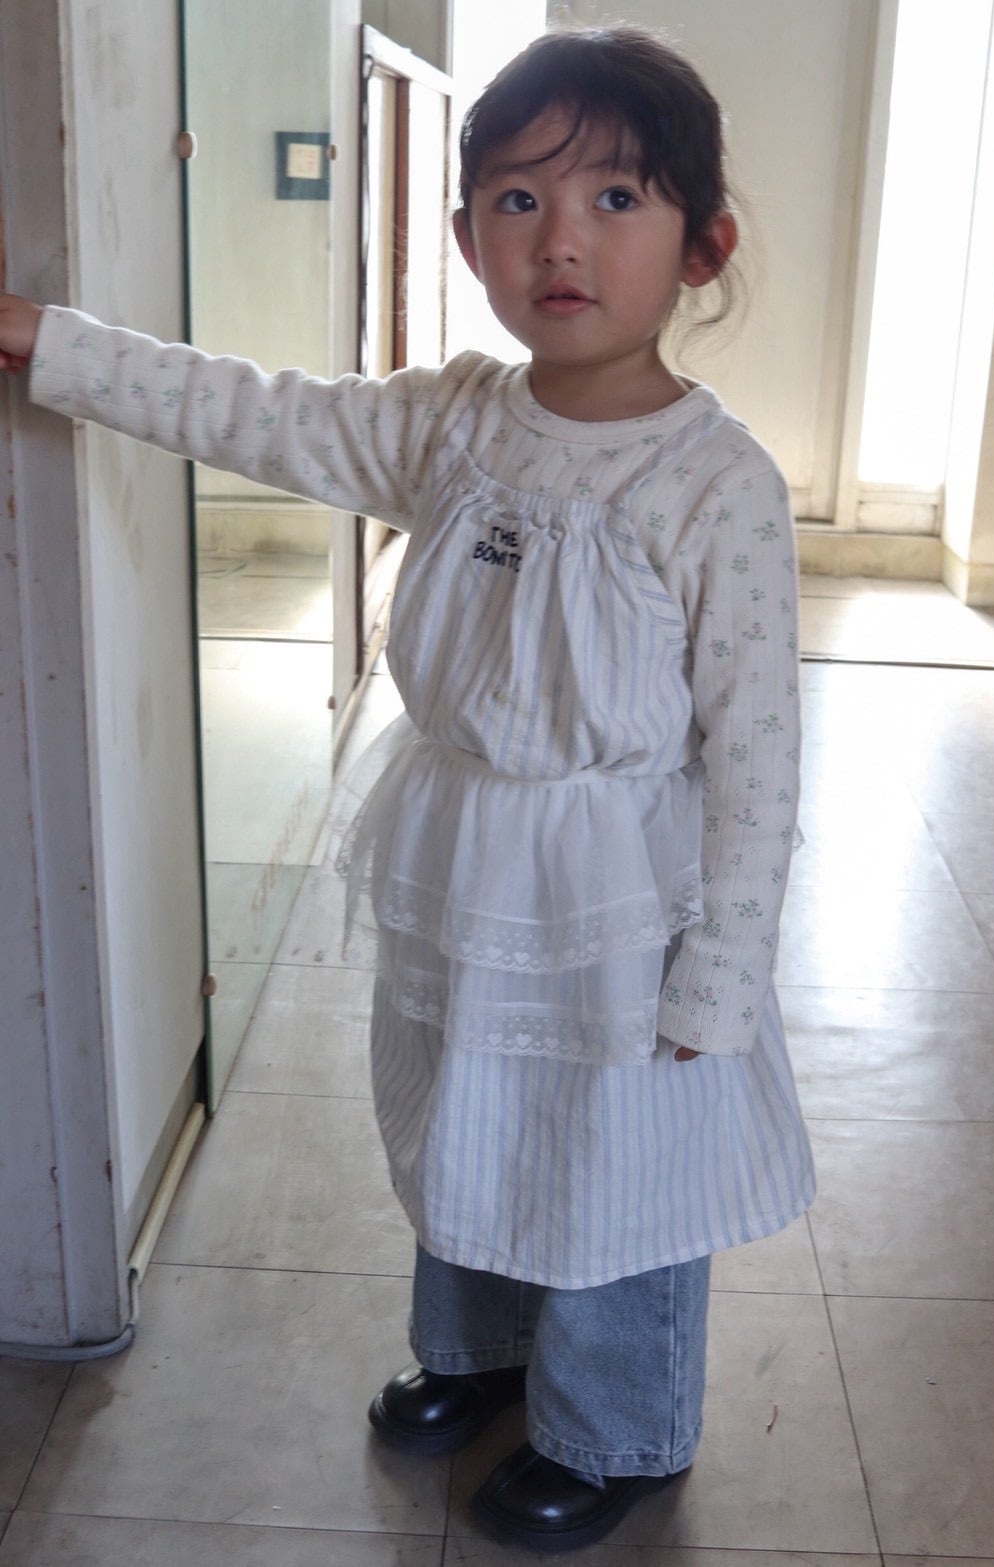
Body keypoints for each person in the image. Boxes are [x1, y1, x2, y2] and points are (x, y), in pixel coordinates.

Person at [0, 25, 814, 1554]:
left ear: (700, 246)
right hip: (466, 861)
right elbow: (252, 408)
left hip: (621, 900)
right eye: (516, 200)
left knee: (614, 1159)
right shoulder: (451, 420)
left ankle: (614, 1428)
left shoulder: (717, 485)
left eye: (614, 198)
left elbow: (759, 755)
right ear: (463, 235)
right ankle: (481, 1349)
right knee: (470, 1108)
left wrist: (722, 971)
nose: (560, 240)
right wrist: (52, 342)